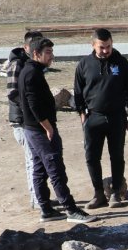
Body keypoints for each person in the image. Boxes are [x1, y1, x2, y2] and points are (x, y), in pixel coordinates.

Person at [18, 37, 95, 223]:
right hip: (40, 130)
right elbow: (33, 105)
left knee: (40, 169)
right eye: (48, 53)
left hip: (33, 129)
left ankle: (46, 209)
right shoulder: (31, 74)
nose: (52, 56)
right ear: (36, 54)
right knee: (55, 169)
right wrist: (48, 127)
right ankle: (70, 210)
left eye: (52, 52)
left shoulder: (31, 71)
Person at [73, 28, 128, 208]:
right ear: (93, 45)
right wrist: (82, 116)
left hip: (117, 117)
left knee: (117, 156)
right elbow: (78, 92)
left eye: (108, 46)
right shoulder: (84, 64)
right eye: (102, 47)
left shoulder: (121, 63)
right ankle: (98, 194)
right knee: (91, 157)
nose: (106, 50)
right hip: (93, 118)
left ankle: (116, 193)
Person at [6, 30, 44, 209]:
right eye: (34, 44)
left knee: (38, 159)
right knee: (32, 160)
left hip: (31, 120)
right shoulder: (17, 65)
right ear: (26, 47)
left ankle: (40, 196)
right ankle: (37, 200)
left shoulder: (33, 64)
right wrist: (31, 110)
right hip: (22, 121)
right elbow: (13, 93)